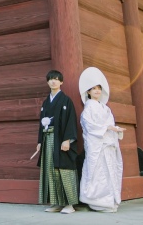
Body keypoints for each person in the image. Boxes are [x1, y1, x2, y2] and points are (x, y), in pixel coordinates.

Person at [31, 69, 79, 214]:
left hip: (60, 139)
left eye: (57, 79)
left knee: (63, 170)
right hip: (47, 139)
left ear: (61, 82)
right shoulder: (46, 103)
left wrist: (67, 140)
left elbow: (71, 121)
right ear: (47, 82)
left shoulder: (66, 101)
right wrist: (40, 141)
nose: (53, 81)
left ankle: (69, 204)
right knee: (50, 170)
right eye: (51, 79)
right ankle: (56, 203)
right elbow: (41, 124)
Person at [78, 67, 125, 213]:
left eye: (99, 88)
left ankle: (110, 200)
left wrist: (115, 130)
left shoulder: (106, 108)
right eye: (93, 89)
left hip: (108, 144)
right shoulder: (88, 109)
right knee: (97, 172)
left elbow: (110, 124)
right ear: (88, 92)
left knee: (109, 171)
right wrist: (108, 128)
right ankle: (96, 201)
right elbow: (89, 126)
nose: (97, 91)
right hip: (97, 145)